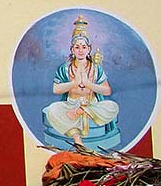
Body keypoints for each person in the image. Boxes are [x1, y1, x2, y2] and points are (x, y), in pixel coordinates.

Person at [45, 16, 119, 147]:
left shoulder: (95, 68)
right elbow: (56, 89)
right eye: (77, 47)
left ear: (89, 49)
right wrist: (74, 83)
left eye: (83, 47)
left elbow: (107, 91)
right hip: (71, 104)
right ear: (72, 49)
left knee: (113, 106)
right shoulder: (65, 68)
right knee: (52, 110)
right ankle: (76, 137)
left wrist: (89, 84)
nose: (80, 50)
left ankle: (82, 111)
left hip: (92, 105)